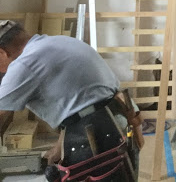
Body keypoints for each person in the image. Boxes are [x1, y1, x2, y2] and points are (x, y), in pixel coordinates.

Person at [0, 20, 143, 181]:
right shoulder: (61, 42)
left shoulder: (24, 63)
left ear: (1, 53)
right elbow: (78, 105)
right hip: (117, 122)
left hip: (99, 134)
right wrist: (59, 147)